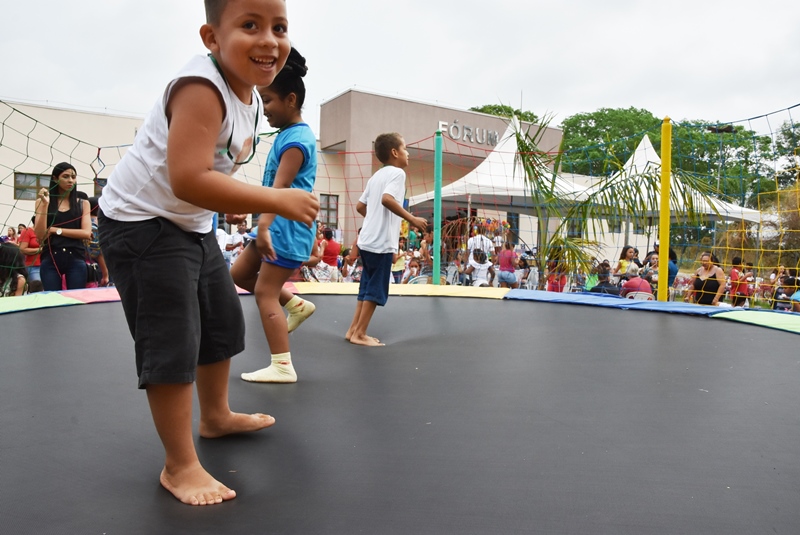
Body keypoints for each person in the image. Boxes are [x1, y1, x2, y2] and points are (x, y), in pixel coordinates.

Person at [97, 0, 319, 507]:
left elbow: (210, 173)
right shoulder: (201, 89)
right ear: (211, 38)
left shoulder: (251, 97)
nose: (269, 39)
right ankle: (179, 466)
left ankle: (214, 417)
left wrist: (234, 201)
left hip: (189, 222)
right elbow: (188, 177)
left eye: (279, 27)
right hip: (140, 223)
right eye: (250, 25)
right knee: (172, 338)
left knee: (220, 321)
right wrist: (273, 200)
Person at [229, 47, 317, 384]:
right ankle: (295, 305)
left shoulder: (296, 141)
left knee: (265, 292)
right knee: (239, 274)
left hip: (284, 228)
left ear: (290, 99)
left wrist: (262, 226)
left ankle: (282, 365)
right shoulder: (287, 135)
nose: (263, 109)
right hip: (273, 224)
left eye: (268, 101)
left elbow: (278, 190)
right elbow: (271, 189)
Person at [345, 132, 427, 346]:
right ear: (395, 152)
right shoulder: (398, 174)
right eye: (405, 149)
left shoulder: (376, 176)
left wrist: (373, 220)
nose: (408, 153)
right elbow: (387, 199)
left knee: (366, 286)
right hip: (380, 242)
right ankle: (360, 334)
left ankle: (352, 330)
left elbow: (360, 206)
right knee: (375, 289)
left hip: (367, 240)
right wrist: (412, 219)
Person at [34, 162, 92, 291]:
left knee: (76, 300)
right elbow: (40, 235)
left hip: (76, 257)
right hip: (50, 257)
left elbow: (86, 233)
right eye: (65, 176)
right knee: (52, 301)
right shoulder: (42, 202)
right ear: (55, 178)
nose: (70, 180)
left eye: (73, 177)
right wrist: (44, 205)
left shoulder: (83, 203)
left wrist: (56, 230)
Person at [17, 217, 42, 291]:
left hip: (49, 264)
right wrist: (40, 250)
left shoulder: (48, 231)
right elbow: (22, 249)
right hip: (34, 266)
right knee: (38, 289)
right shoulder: (27, 231)